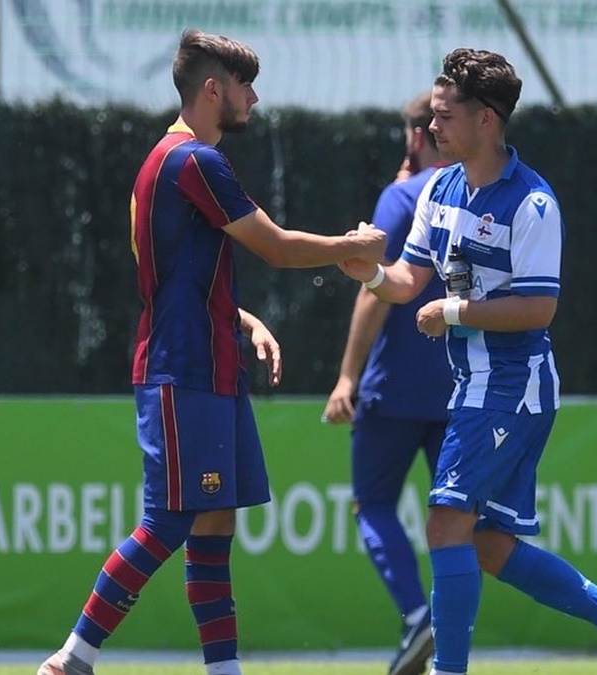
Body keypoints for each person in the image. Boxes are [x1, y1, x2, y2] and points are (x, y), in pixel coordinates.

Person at [37, 28, 385, 675]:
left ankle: (223, 671)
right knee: (169, 519)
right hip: (183, 369)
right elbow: (276, 247)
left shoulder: (168, 162)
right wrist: (350, 246)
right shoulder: (195, 161)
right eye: (245, 84)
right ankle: (71, 657)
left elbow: (181, 275)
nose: (254, 97)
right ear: (211, 89)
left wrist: (244, 319)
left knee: (216, 522)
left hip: (213, 364)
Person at [337, 48, 597, 675]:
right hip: (475, 386)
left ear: (486, 119)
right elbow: (409, 280)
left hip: (513, 388)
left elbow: (540, 308)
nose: (431, 128)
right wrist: (371, 273)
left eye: (444, 116)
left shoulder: (532, 203)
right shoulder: (439, 185)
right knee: (485, 544)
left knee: (443, 523)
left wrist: (454, 312)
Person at [321, 91, 452, 675]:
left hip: (394, 388)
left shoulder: (402, 198)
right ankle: (451, 642)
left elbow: (374, 292)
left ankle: (416, 616)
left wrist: (346, 375)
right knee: (457, 519)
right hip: (459, 389)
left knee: (373, 503)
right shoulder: (482, 201)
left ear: (415, 136)